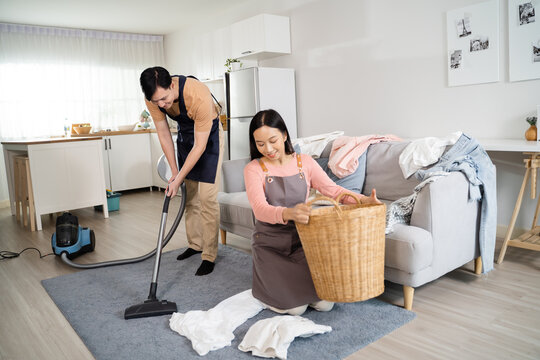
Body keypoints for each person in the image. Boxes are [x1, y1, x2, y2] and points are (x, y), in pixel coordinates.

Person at [244, 109, 381, 315]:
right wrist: (289, 213)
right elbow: (260, 209)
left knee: (325, 304)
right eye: (260, 144)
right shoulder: (254, 169)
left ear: (284, 135)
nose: (268, 149)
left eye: (273, 140)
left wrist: (363, 201)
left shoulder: (304, 162)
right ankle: (267, 291)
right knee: (296, 309)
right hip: (270, 244)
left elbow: (332, 190)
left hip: (304, 243)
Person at [140, 66, 224, 276]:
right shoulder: (152, 100)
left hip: (209, 137)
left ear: (172, 85)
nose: (161, 104)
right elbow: (164, 133)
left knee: (206, 196)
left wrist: (178, 179)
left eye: (164, 98)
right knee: (191, 196)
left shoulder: (198, 94)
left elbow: (201, 146)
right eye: (156, 101)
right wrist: (175, 173)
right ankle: (195, 244)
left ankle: (209, 255)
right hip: (186, 136)